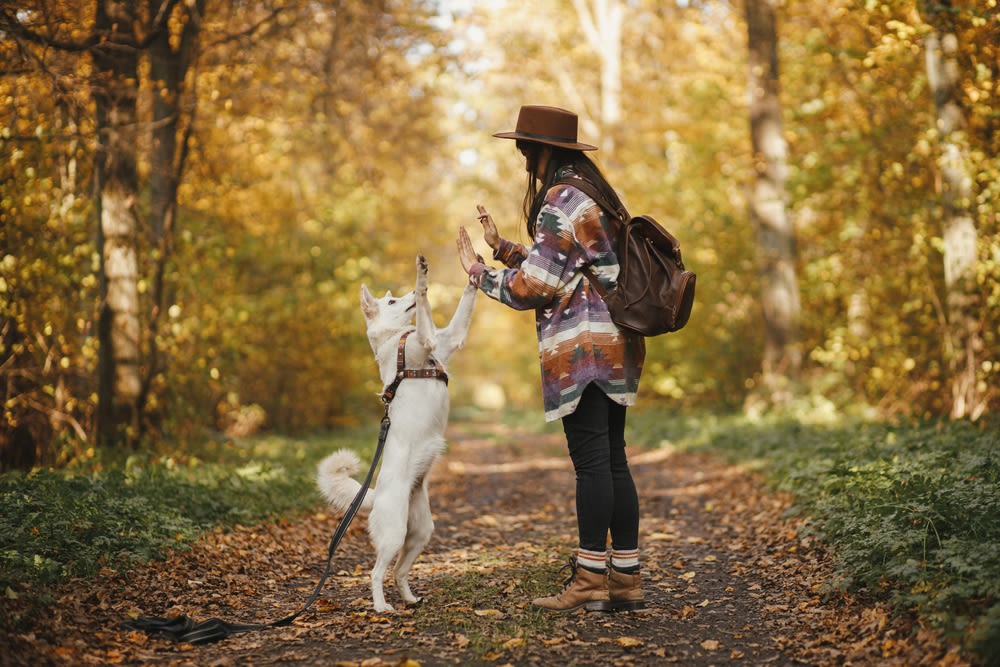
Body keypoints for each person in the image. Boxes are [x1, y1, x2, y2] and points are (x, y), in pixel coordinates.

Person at [456, 105, 646, 612]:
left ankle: (589, 578)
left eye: (526, 149)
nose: (524, 160)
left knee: (592, 464)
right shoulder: (593, 195)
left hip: (584, 347)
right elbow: (568, 267)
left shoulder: (559, 199)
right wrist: (503, 248)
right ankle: (625, 578)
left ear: (545, 151)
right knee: (613, 458)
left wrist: (477, 271)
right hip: (617, 342)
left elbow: (536, 287)